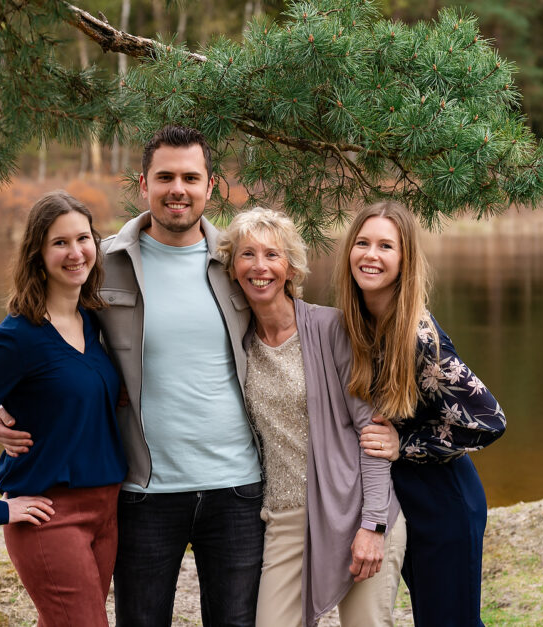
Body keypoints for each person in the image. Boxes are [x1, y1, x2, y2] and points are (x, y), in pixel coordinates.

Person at [0, 125, 265, 626]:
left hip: (238, 488)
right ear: (144, 184)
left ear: (211, 185)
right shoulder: (101, 261)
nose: (176, 189)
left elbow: (292, 332)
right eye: (164, 177)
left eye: (190, 177)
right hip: (143, 490)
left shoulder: (240, 262)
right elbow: (39, 329)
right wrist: (2, 402)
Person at [0, 191, 126, 626]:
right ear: (37, 254)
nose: (75, 252)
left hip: (106, 511)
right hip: (49, 517)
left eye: (83, 238)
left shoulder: (94, 322)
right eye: (60, 242)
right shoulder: (17, 337)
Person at [217, 208, 405, 627]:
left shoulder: (331, 328)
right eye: (247, 254)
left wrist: (373, 525)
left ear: (290, 268)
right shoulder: (237, 344)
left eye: (272, 255)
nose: (259, 266)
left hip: (354, 511)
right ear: (232, 267)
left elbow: (372, 432)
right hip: (284, 521)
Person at [337, 202, 507, 626]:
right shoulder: (360, 325)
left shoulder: (417, 337)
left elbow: (489, 420)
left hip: (446, 501)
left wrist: (406, 444)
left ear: (404, 259)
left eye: (385, 246)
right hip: (406, 502)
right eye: (362, 243)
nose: (370, 255)